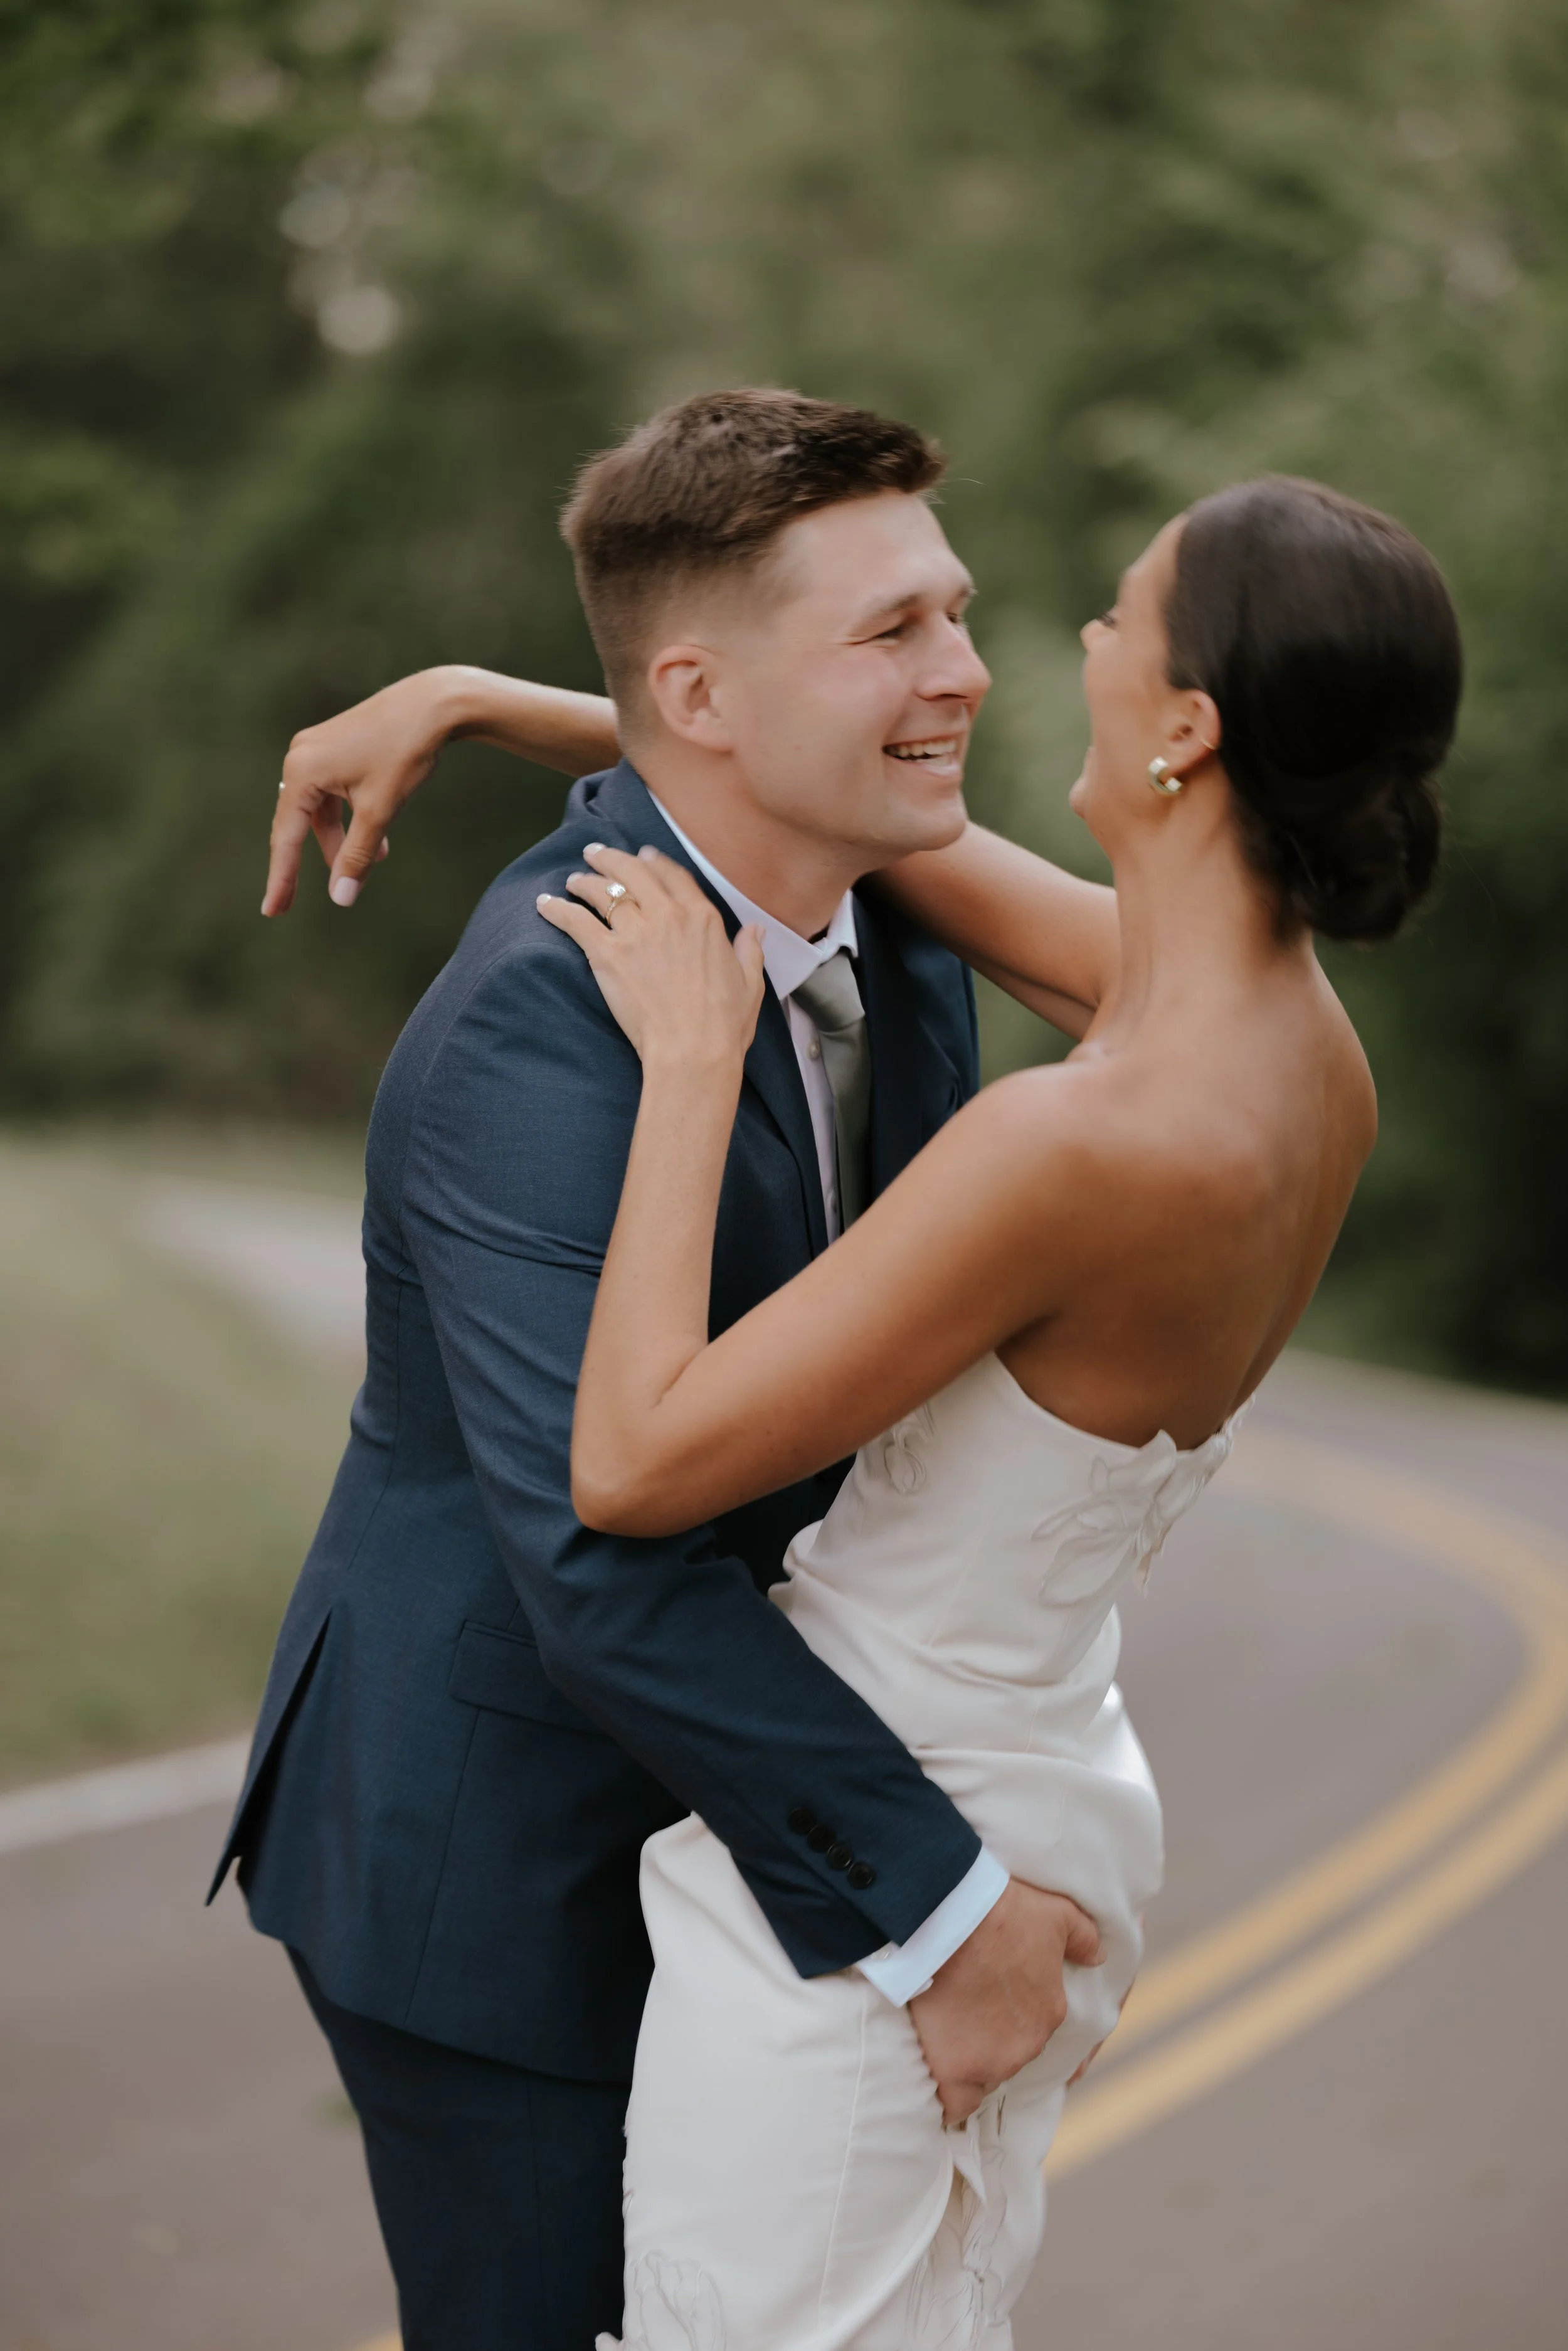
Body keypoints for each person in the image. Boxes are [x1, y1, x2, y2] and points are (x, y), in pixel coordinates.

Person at [262, 450, 1461, 2346]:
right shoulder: (1292, 1048)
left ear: (1185, 730)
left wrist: (692, 1070)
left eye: (1107, 618)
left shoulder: (1070, 1136)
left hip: (913, 1839)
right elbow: (765, 771)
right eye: (905, 624)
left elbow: (631, 1464)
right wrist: (496, 698)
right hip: (684, 1840)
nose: (1006, 658)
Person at [219, 388, 1137, 2351]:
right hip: (505, 1868)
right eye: (892, 629)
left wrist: (487, 693)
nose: (963, 671)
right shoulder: (533, 1033)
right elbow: (600, 1560)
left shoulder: (887, 908)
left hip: (741, 1813)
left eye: (955, 611)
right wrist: (944, 1907)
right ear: (705, 696)